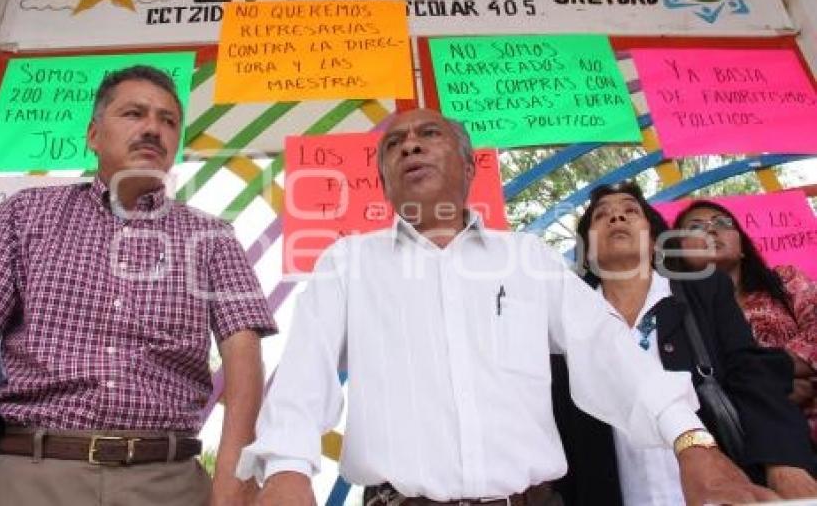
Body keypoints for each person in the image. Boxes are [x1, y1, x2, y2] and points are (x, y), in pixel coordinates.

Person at [237, 108, 779, 506]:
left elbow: (608, 349)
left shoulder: (526, 258)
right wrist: (286, 468)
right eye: (394, 144)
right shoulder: (349, 263)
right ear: (382, 182)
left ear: (469, 167)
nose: (409, 146)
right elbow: (305, 371)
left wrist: (692, 442)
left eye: (429, 134)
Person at [0, 65, 276, 506]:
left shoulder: (213, 238)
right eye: (134, 114)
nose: (153, 128)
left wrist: (233, 477)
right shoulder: (24, 216)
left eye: (168, 121)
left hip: (168, 483)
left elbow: (244, 352)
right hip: (32, 475)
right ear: (93, 135)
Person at [551, 181, 817, 505]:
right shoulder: (566, 321)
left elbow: (750, 375)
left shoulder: (704, 292)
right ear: (587, 253)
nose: (616, 218)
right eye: (601, 216)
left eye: (630, 211)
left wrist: (784, 461)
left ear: (655, 243)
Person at [673, 199, 817, 445]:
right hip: (753, 450)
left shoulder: (785, 280)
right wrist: (774, 385)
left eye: (721, 223)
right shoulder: (678, 316)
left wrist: (764, 378)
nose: (711, 229)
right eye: (695, 227)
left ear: (741, 247)